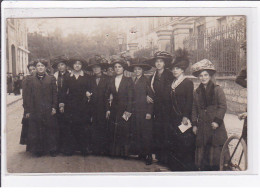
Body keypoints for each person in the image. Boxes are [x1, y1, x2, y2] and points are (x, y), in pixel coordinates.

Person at [191, 59, 229, 171]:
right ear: (198, 77)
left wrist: (217, 121)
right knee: (203, 156)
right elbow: (194, 108)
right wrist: (194, 124)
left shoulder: (218, 89)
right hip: (202, 126)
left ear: (210, 76)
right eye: (201, 76)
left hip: (215, 126)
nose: (203, 78)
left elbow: (223, 106)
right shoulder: (196, 92)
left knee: (215, 152)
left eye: (206, 75)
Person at [167, 49, 196, 171]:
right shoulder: (172, 83)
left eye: (177, 68)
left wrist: (185, 116)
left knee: (184, 141)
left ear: (183, 70)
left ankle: (185, 167)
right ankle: (175, 166)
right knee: (174, 140)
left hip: (183, 117)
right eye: (173, 68)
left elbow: (190, 101)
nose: (174, 71)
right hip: (173, 117)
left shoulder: (187, 82)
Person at [25, 59, 58, 157]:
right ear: (35, 67)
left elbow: (54, 94)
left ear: (45, 68)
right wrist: (27, 110)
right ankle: (38, 150)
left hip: (48, 108)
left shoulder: (51, 79)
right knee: (37, 130)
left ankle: (52, 149)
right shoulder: (30, 80)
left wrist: (54, 107)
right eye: (38, 66)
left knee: (50, 129)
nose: (40, 67)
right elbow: (28, 96)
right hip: (35, 109)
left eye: (42, 66)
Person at [146, 51, 174, 165]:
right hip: (156, 108)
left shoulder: (170, 75)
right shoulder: (152, 77)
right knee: (156, 131)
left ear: (164, 63)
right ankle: (157, 156)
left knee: (166, 132)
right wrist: (147, 96)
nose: (158, 64)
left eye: (161, 61)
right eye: (157, 62)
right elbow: (149, 90)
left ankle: (166, 158)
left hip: (167, 108)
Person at [61, 56, 92, 156]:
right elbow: (63, 92)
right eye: (75, 64)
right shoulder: (68, 77)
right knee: (70, 127)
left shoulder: (87, 77)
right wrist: (62, 104)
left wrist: (89, 93)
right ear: (72, 66)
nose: (77, 65)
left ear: (81, 66)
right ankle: (70, 149)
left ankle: (84, 149)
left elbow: (90, 89)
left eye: (79, 64)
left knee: (83, 127)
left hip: (83, 105)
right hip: (71, 106)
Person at [126, 57, 154, 165]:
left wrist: (149, 112)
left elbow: (151, 97)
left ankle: (149, 155)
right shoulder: (132, 80)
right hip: (135, 111)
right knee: (137, 132)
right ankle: (141, 153)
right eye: (135, 69)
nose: (137, 71)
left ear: (142, 70)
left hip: (144, 111)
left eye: (139, 69)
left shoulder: (146, 80)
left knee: (146, 134)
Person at [105, 57, 134, 158]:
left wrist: (128, 111)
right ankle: (114, 153)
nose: (117, 69)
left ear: (123, 69)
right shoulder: (110, 80)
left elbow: (131, 98)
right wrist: (108, 109)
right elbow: (107, 96)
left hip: (124, 109)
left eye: (119, 67)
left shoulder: (128, 80)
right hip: (114, 108)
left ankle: (124, 153)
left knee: (124, 130)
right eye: (115, 67)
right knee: (114, 129)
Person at [87, 56, 110, 156]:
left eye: (97, 67)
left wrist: (108, 109)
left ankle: (103, 149)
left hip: (104, 106)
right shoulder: (90, 79)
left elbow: (110, 94)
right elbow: (87, 90)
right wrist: (87, 93)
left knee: (103, 127)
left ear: (101, 68)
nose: (96, 69)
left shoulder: (108, 79)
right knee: (94, 127)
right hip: (92, 106)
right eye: (94, 68)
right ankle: (95, 149)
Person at [51, 55, 70, 154]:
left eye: (62, 65)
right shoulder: (54, 76)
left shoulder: (70, 75)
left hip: (68, 103)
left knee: (67, 125)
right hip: (57, 102)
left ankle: (66, 148)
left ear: (66, 66)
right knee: (57, 125)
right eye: (58, 65)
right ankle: (57, 147)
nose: (60, 67)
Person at [20, 61, 36, 145]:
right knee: (29, 124)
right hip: (29, 105)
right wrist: (26, 108)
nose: (32, 71)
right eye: (30, 70)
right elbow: (25, 95)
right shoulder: (27, 79)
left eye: (34, 69)